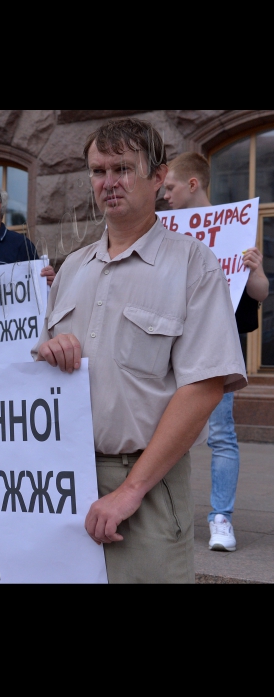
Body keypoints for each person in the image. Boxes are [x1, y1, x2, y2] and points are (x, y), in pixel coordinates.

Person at [32, 119, 247, 583]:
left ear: (157, 177)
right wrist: (46, 351)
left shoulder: (193, 263)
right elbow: (34, 379)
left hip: (144, 492)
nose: (108, 182)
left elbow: (205, 386)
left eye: (123, 168)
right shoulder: (71, 270)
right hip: (60, 485)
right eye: (98, 170)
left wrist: (130, 491)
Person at [164, 151, 269, 552]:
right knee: (164, 431)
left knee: (221, 435)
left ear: (194, 184)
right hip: (171, 346)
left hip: (217, 349)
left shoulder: (234, 230)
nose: (165, 196)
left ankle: (220, 518)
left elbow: (257, 294)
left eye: (170, 187)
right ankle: (166, 513)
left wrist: (256, 270)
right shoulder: (164, 232)